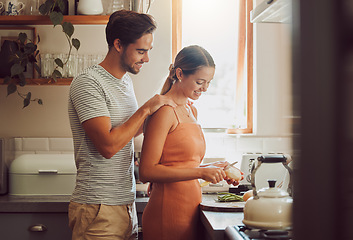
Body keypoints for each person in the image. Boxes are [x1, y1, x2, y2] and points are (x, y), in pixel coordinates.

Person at [67, 10, 176, 240]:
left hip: (125, 205)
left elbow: (127, 131)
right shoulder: (88, 83)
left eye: (148, 51)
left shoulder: (124, 81)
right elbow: (107, 146)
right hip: (98, 207)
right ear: (118, 44)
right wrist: (146, 108)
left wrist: (160, 106)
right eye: (141, 51)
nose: (146, 58)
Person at [139, 45, 242, 240]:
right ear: (179, 74)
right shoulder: (164, 111)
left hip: (191, 208)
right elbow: (147, 171)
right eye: (200, 81)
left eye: (209, 82)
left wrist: (213, 168)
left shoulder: (191, 110)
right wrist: (202, 172)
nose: (205, 88)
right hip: (168, 211)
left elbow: (183, 164)